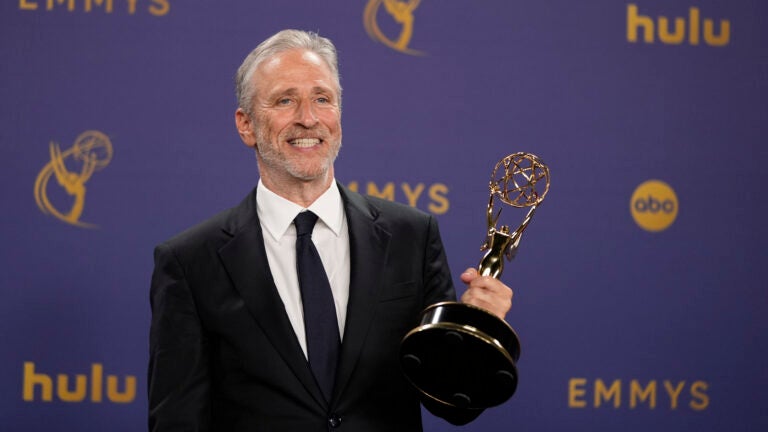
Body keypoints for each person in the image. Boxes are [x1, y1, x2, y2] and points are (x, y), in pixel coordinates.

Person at [148, 29, 513, 431]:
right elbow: (176, 420)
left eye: (322, 99)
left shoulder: (411, 235)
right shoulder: (190, 261)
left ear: (339, 114)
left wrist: (477, 334)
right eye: (285, 100)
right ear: (246, 125)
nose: (308, 118)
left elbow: (454, 405)